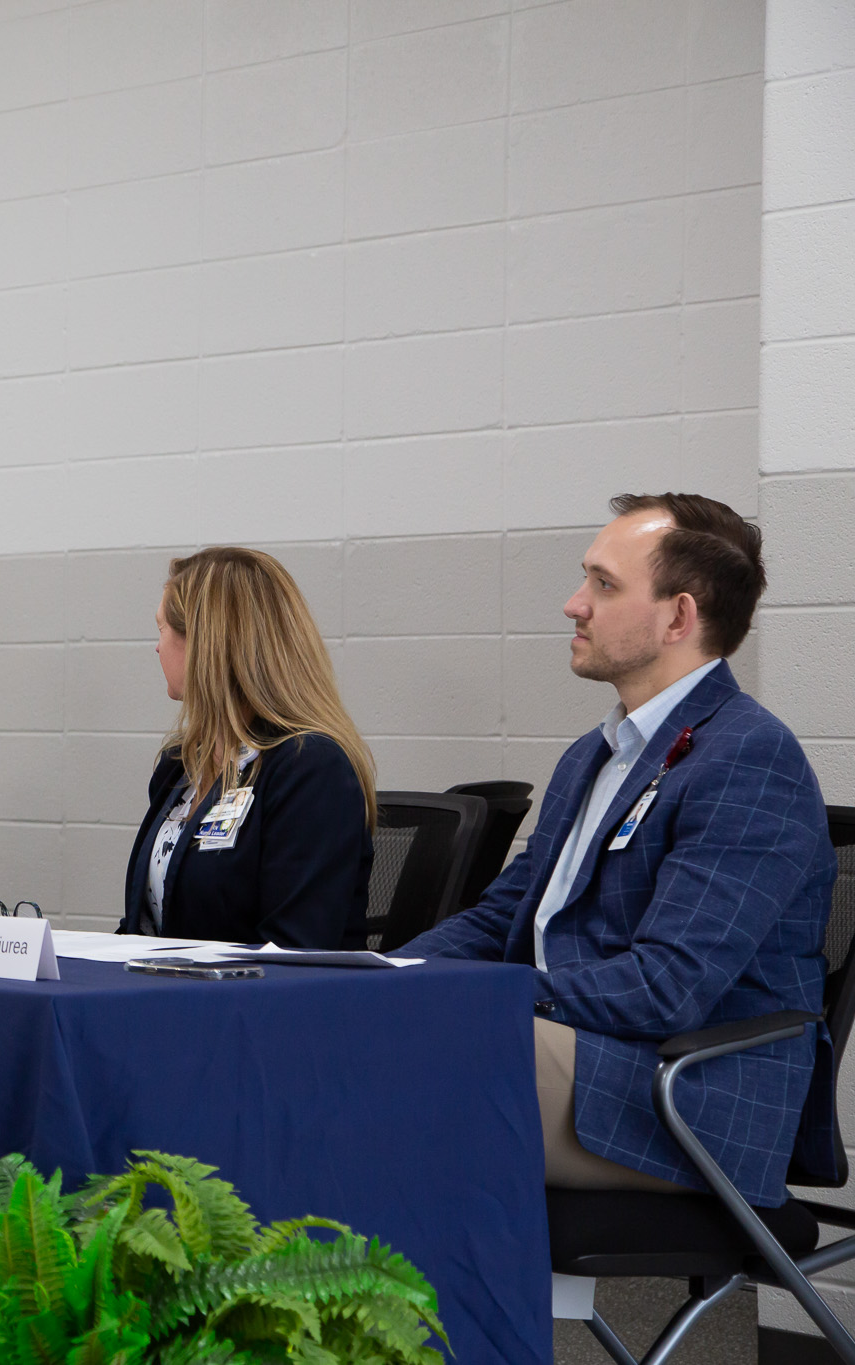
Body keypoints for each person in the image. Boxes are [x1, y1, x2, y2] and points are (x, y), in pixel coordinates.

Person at [408, 494, 836, 1205]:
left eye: (603, 584)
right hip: (578, 1050)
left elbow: (665, 987)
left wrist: (483, 996)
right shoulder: (596, 754)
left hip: (683, 1092)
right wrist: (381, 974)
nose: (575, 604)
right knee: (349, 1033)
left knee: (392, 1066)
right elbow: (504, 917)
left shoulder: (749, 757)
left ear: (678, 617)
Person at [118, 548, 376, 948]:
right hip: (167, 997)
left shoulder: (309, 769)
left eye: (161, 629)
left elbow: (295, 947)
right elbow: (144, 928)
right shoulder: (180, 765)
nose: (156, 648)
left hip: (257, 1005)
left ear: (205, 644)